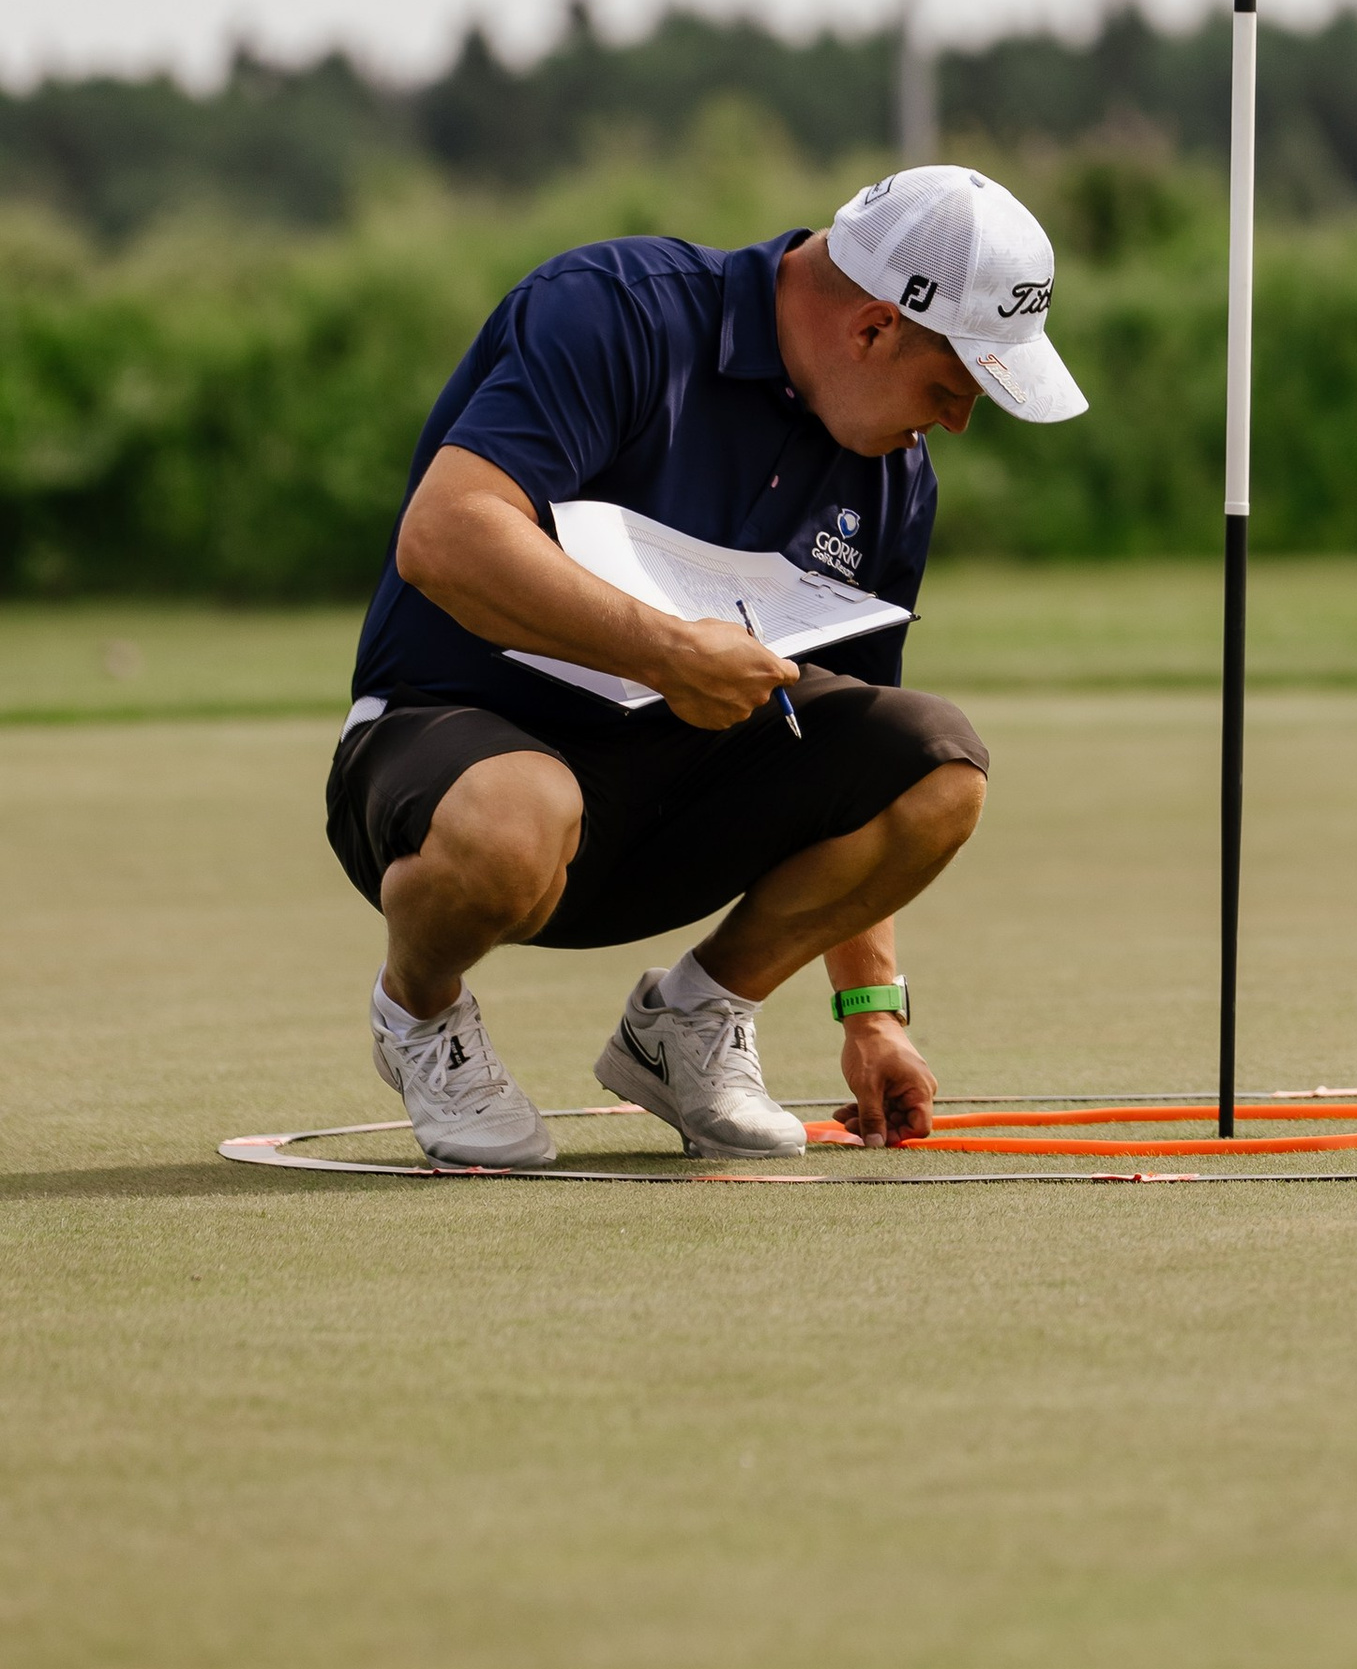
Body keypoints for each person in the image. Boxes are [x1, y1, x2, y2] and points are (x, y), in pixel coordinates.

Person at [326, 162, 1085, 1169]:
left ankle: (688, 1023)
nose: (955, 421)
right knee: (519, 814)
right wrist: (668, 652)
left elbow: (856, 750)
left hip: (670, 810)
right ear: (871, 330)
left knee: (935, 760)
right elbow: (445, 535)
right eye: (952, 387)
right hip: (451, 751)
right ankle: (419, 1017)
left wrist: (871, 1013)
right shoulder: (616, 316)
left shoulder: (893, 474)